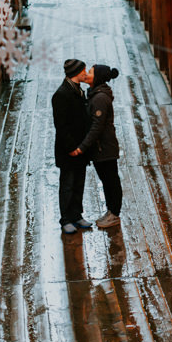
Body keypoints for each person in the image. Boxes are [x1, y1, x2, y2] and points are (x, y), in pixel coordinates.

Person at [70, 64, 122, 228]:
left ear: (97, 78)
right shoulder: (95, 94)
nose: (86, 74)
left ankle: (114, 213)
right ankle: (111, 211)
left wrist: (82, 147)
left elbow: (96, 127)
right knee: (107, 180)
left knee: (110, 180)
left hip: (104, 148)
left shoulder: (99, 98)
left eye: (90, 72)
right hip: (100, 148)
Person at [52, 59, 93, 234]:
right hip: (68, 150)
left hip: (81, 148)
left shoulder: (79, 91)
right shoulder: (61, 94)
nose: (86, 73)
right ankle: (66, 219)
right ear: (76, 73)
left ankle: (77, 215)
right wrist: (71, 148)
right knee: (68, 184)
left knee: (79, 183)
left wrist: (83, 146)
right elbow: (61, 126)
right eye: (83, 70)